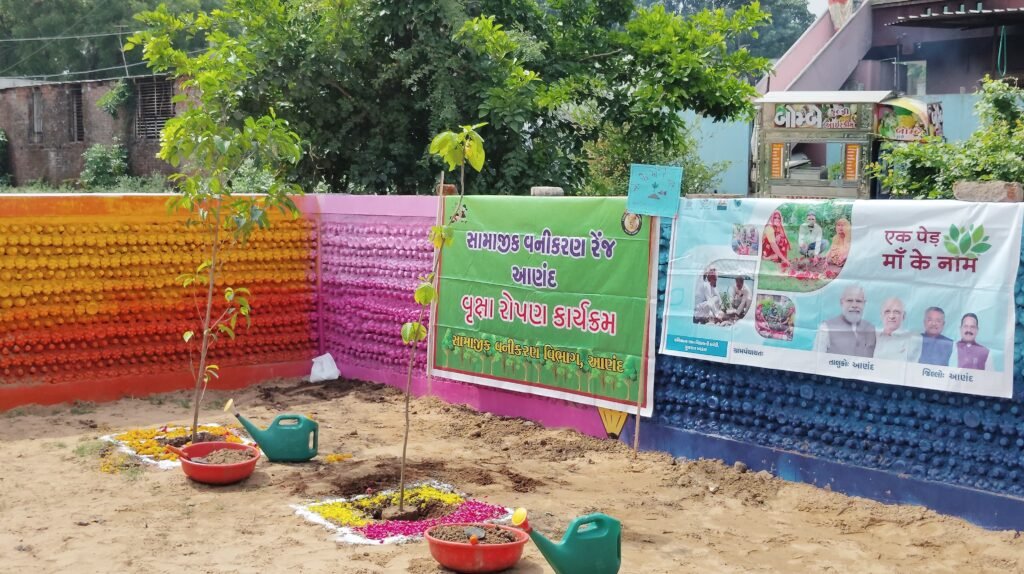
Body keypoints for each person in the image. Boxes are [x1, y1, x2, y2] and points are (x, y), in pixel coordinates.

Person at [813, 284, 876, 357]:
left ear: (864, 304)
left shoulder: (871, 329)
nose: (854, 305)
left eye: (858, 301)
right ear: (841, 302)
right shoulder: (826, 328)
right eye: (849, 300)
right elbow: (816, 359)